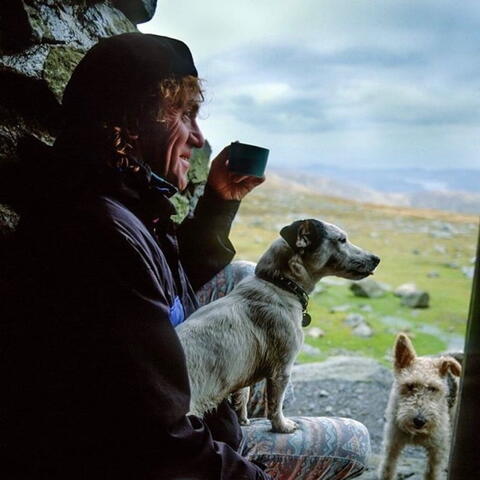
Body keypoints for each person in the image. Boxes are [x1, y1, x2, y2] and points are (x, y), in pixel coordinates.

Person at [0, 33, 370, 480]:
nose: (198, 137)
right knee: (354, 442)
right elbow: (159, 442)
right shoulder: (101, 236)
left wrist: (218, 201)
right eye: (186, 115)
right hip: (164, 445)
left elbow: (165, 285)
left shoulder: (107, 197)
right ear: (133, 122)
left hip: (175, 406)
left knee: (242, 275)